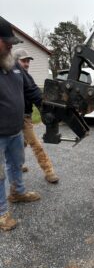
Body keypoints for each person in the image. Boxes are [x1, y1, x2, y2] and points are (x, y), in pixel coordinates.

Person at [0, 16, 42, 231]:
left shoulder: (14, 66)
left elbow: (32, 91)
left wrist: (48, 107)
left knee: (16, 164)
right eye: (6, 41)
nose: (10, 45)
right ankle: (1, 214)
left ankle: (17, 192)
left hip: (15, 131)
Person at [13, 48, 59, 184]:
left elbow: (34, 93)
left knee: (22, 143)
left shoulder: (26, 76)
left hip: (25, 116)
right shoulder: (12, 76)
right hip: (14, 118)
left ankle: (17, 166)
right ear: (15, 61)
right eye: (23, 61)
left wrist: (44, 107)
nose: (27, 64)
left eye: (28, 61)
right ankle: (49, 171)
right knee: (34, 144)